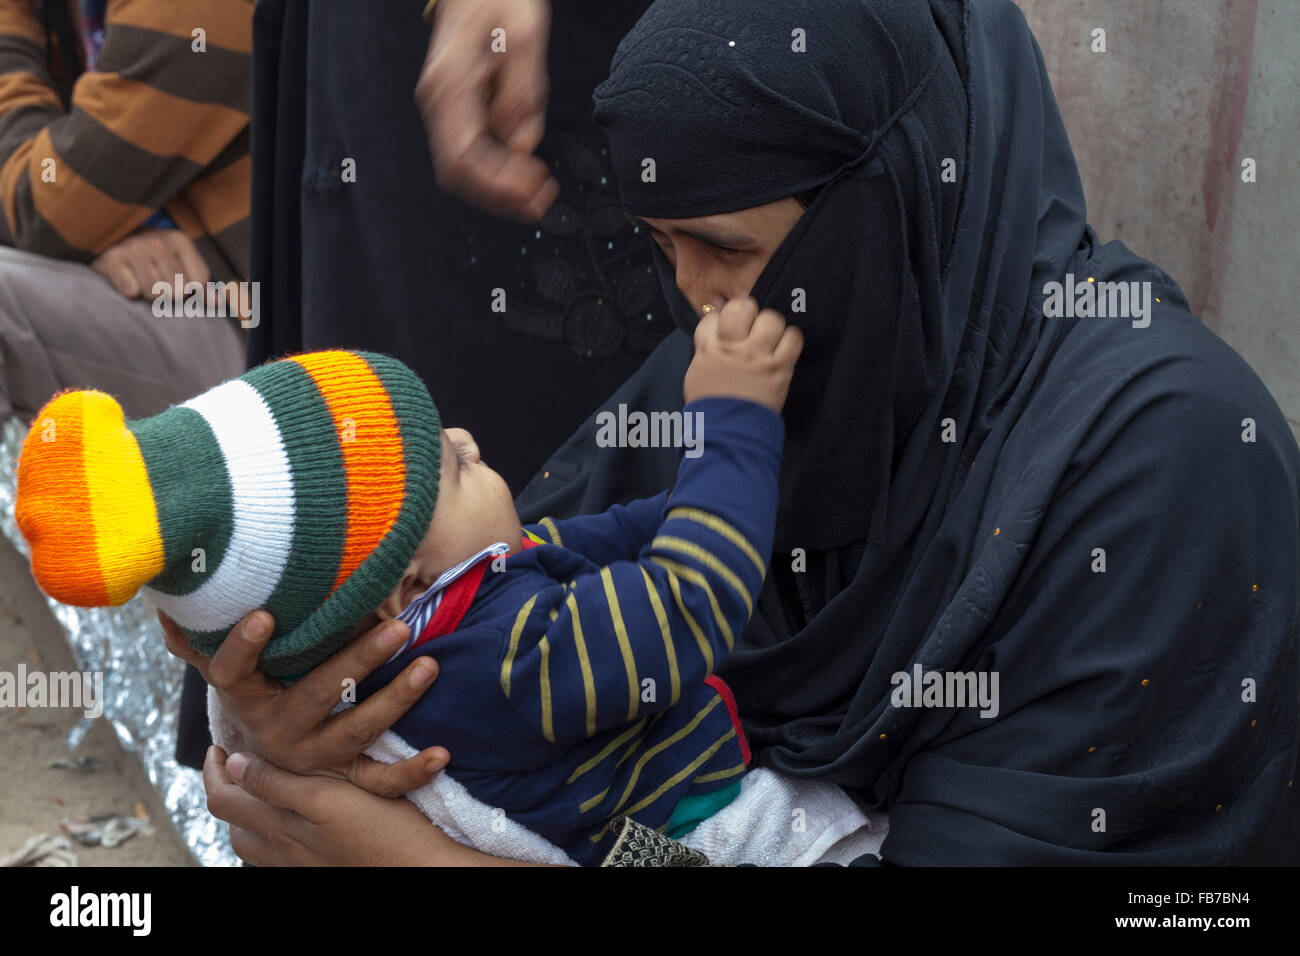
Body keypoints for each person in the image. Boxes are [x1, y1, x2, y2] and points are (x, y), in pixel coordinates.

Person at [195, 0, 1300, 865]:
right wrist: (299, 725)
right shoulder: (731, 377)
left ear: (891, 201)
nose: (697, 303)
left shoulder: (1160, 460)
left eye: (724, 246)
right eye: (663, 246)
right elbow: (481, 640)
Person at [20, 308, 823, 865]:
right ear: (407, 586)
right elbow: (689, 599)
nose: (473, 441)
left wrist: (716, 496)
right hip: (689, 836)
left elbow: (600, 537)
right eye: (456, 465)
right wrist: (734, 426)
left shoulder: (438, 613)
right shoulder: (506, 661)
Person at [0, 0, 251, 423]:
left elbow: (38, 210)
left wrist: (85, 222)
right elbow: (63, 204)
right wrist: (99, 226)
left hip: (276, 349)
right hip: (179, 298)